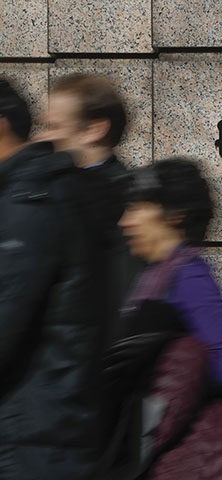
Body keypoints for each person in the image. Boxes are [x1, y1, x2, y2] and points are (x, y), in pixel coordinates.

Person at [117, 158, 222, 478]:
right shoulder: (156, 274)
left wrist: (169, 399)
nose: (125, 221)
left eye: (137, 208)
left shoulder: (189, 275)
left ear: (174, 214)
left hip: (194, 458)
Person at [0, 80, 107, 477]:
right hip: (46, 431)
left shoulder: (29, 201)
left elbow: (6, 317)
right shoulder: (37, 193)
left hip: (31, 440)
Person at [39, 73, 140, 346]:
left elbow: (119, 301)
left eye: (54, 126)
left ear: (94, 129)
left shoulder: (125, 201)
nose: (43, 137)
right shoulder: (60, 189)